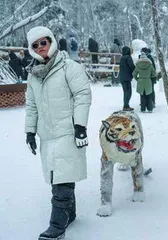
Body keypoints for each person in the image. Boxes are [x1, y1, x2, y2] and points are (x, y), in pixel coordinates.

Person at [24, 26, 91, 240]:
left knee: (62, 180)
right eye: (35, 45)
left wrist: (80, 126)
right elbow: (31, 106)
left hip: (67, 133)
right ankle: (69, 215)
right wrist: (30, 132)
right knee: (57, 177)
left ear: (51, 41)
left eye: (43, 42)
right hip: (48, 136)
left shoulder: (68, 67)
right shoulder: (34, 75)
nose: (41, 47)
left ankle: (57, 227)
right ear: (31, 49)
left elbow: (82, 95)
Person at [119, 46, 135, 111]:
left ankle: (126, 105)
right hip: (127, 77)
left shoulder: (122, 57)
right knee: (128, 92)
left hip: (122, 77)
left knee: (125, 92)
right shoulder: (128, 58)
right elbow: (131, 66)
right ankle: (126, 106)